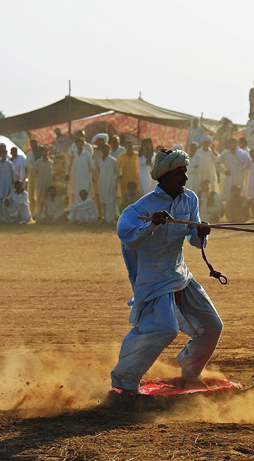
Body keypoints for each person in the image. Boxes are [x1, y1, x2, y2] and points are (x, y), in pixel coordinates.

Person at [109, 149, 222, 396]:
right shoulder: (141, 207)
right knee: (164, 329)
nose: (185, 178)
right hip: (153, 279)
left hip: (180, 274)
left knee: (212, 325)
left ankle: (191, 373)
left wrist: (201, 233)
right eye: (180, 173)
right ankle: (124, 380)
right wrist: (153, 223)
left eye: (185, 172)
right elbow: (128, 238)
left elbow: (193, 238)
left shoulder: (190, 199)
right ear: (165, 176)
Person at [66, 138, 96, 203]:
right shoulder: (73, 154)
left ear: (83, 145)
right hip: (76, 178)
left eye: (80, 144)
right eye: (78, 144)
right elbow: (68, 163)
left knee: (86, 195)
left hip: (85, 178)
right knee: (76, 196)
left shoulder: (87, 154)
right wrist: (67, 173)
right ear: (76, 145)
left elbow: (92, 166)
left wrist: (90, 173)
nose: (79, 146)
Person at [97, 143, 121, 222]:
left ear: (109, 150)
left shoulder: (113, 160)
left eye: (107, 149)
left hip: (111, 183)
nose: (105, 151)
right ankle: (105, 217)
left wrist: (116, 183)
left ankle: (110, 219)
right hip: (102, 183)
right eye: (104, 149)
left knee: (110, 201)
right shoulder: (100, 160)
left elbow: (117, 173)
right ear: (101, 150)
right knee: (103, 200)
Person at [0, 146, 15, 223]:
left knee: (7, 201)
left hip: (7, 185)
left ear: (6, 154)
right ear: (0, 154)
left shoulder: (9, 164)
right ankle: (1, 218)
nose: (3, 155)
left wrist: (12, 184)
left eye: (4, 154)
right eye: (2, 154)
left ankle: (8, 218)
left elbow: (13, 175)